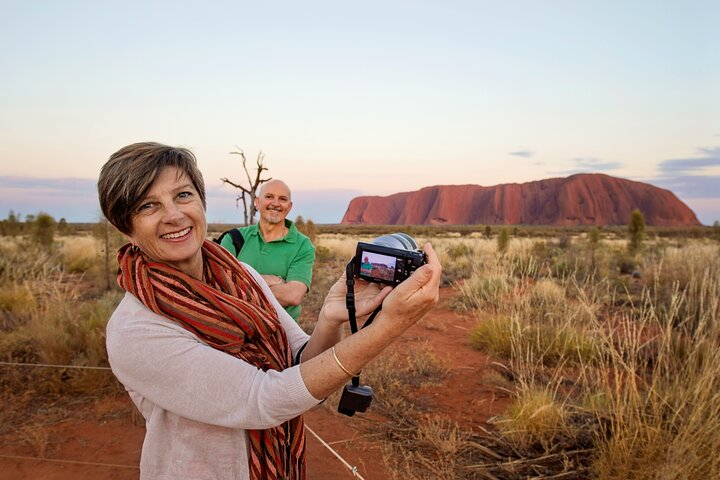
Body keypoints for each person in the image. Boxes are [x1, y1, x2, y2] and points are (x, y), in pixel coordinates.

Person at [97, 142, 441, 480]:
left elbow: (298, 364)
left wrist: (331, 316)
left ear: (201, 201)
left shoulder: (240, 275)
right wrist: (387, 328)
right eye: (148, 206)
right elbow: (265, 399)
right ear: (125, 227)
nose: (174, 215)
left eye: (183, 195)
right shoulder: (135, 330)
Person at [219, 179, 314, 321]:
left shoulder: (302, 245)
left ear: (289, 206)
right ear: (257, 202)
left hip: (281, 332)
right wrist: (272, 280)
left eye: (282, 199)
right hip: (234, 326)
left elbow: (293, 296)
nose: (276, 203)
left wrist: (240, 283)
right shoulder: (233, 239)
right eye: (269, 197)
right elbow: (219, 284)